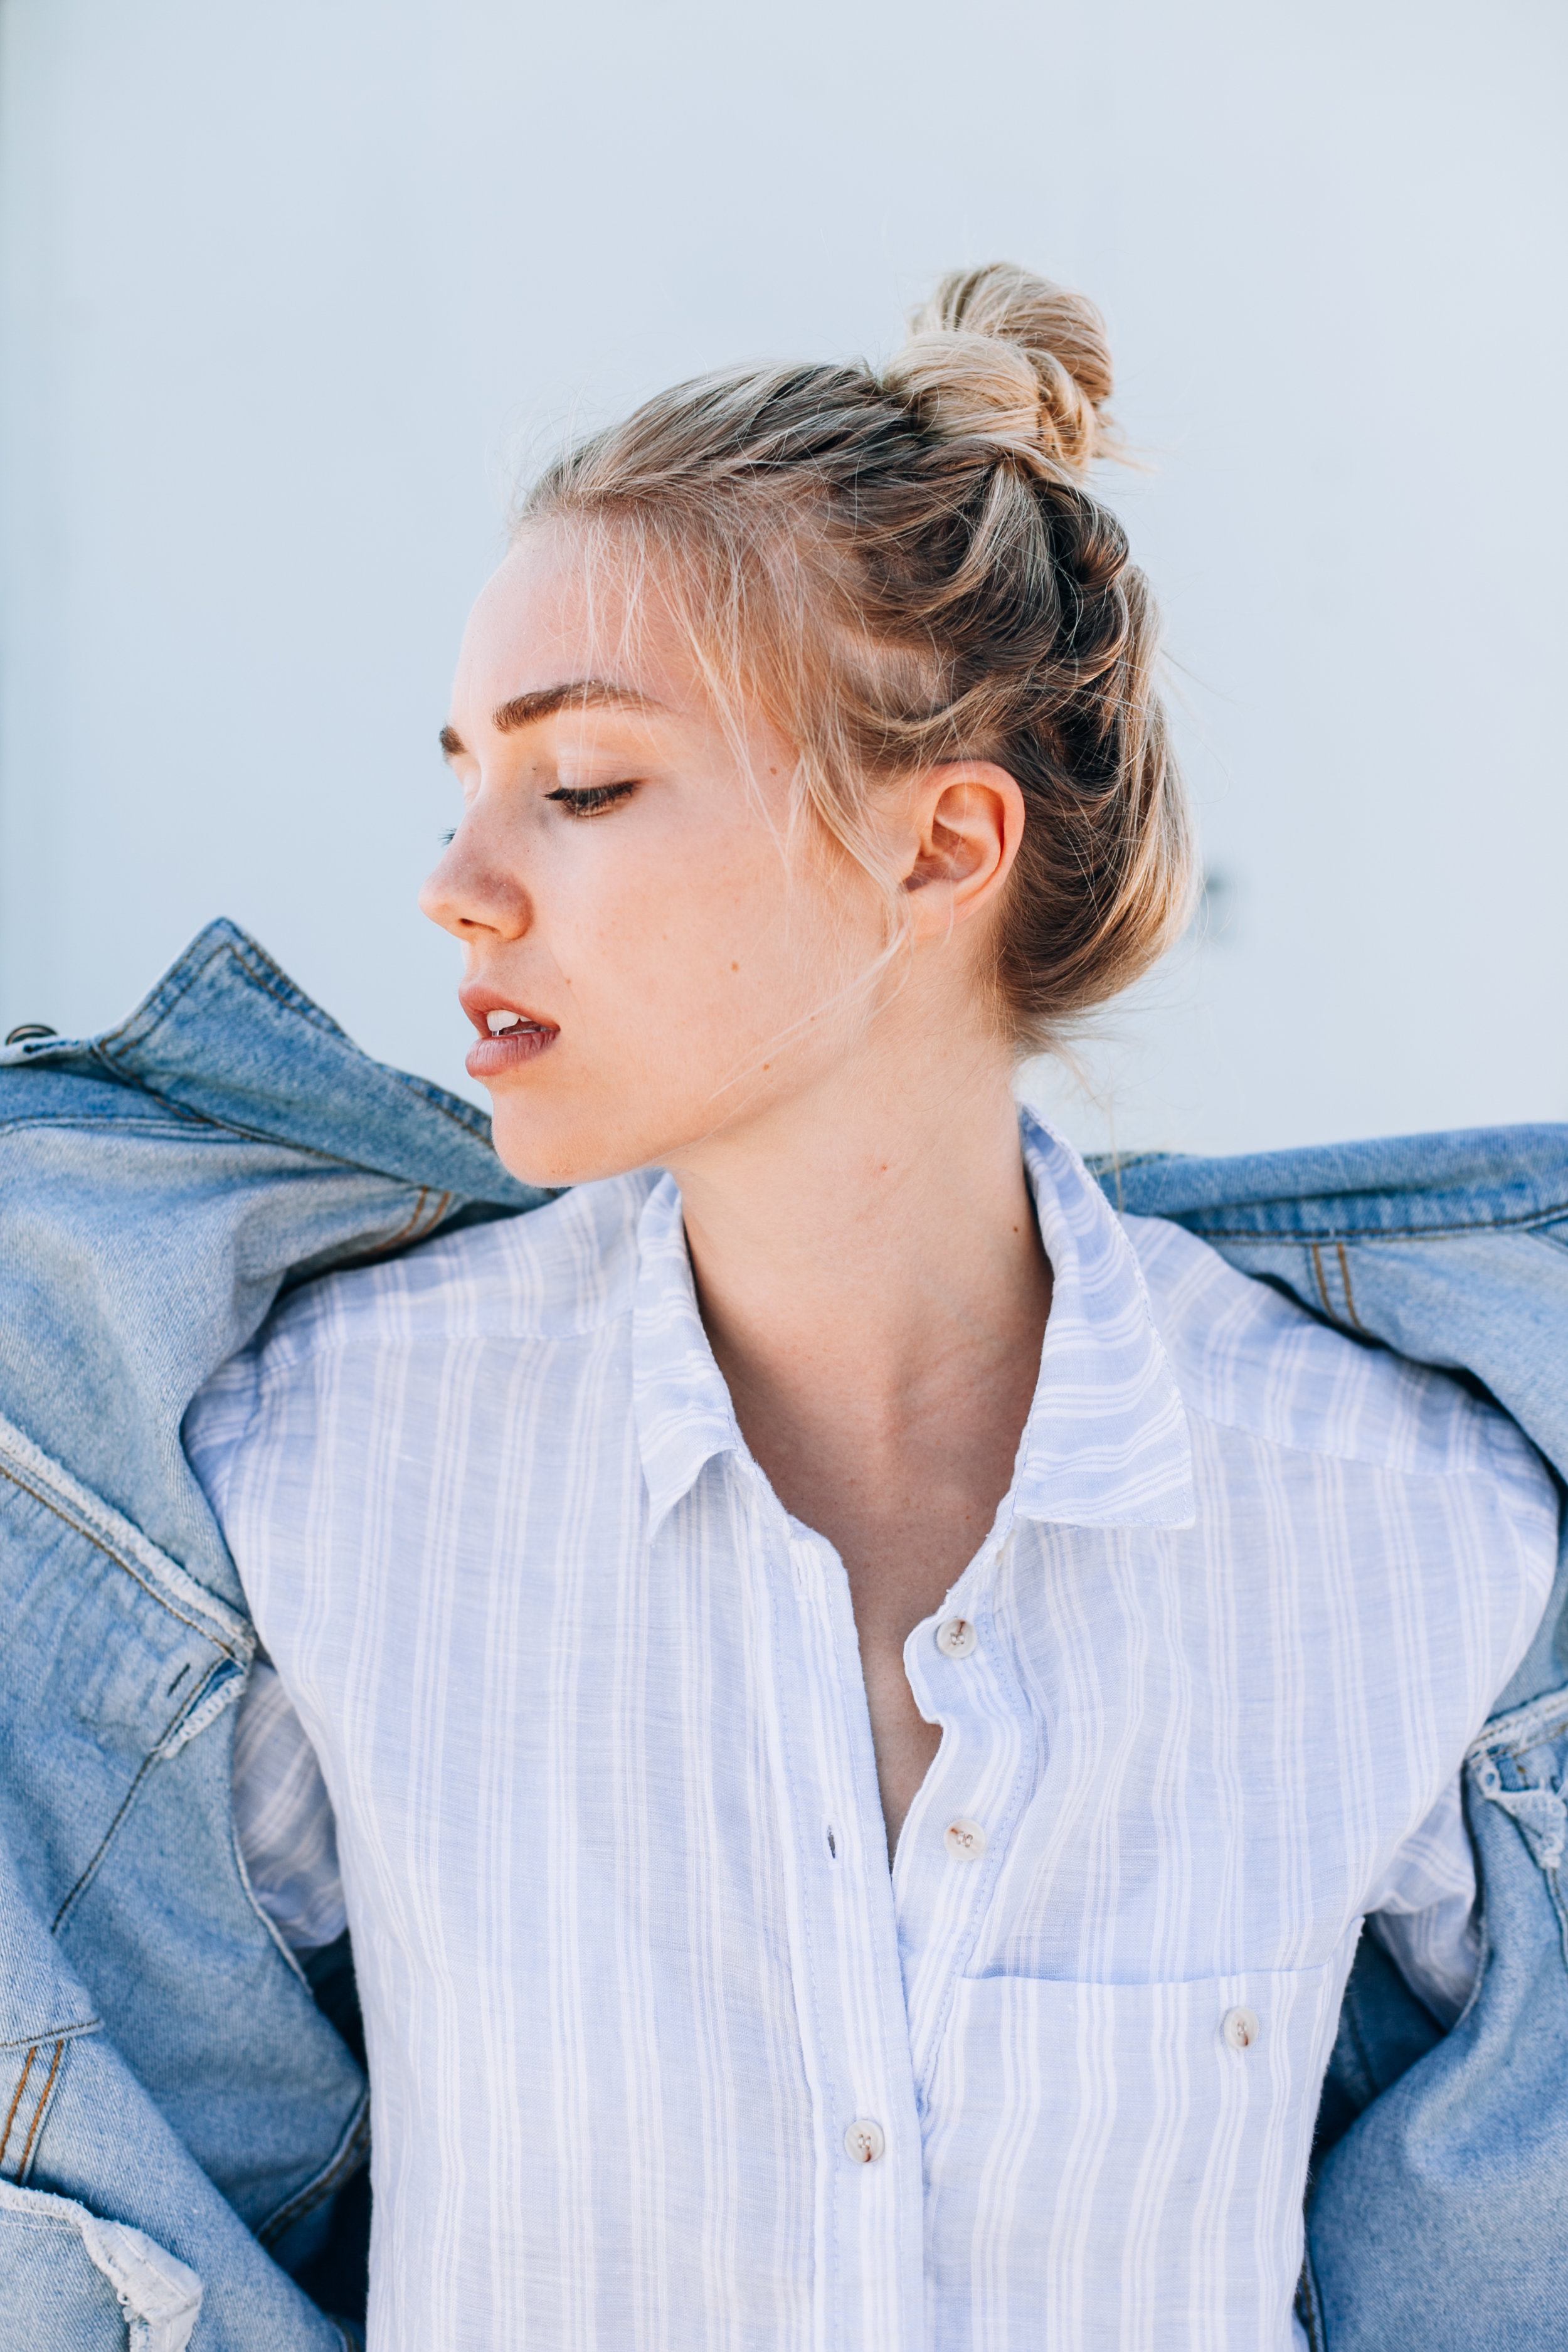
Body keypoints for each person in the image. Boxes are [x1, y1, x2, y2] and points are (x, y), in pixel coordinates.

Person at [175, 267, 1557, 2348]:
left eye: (582, 785)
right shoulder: (316, 1471)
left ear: (942, 844)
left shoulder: (1404, 1527)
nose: (457, 879)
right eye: (463, 778)